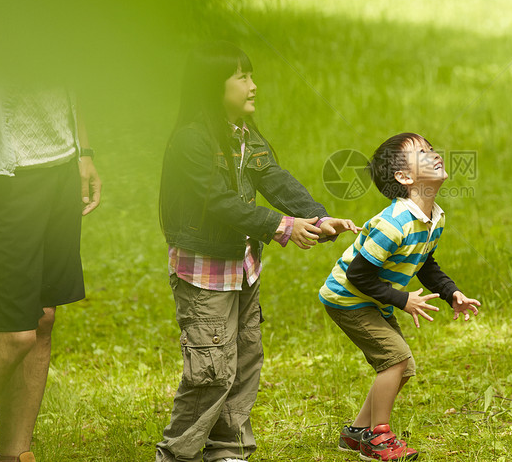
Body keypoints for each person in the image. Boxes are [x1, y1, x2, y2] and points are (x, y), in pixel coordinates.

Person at [156, 41, 358, 462]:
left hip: (242, 268)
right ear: (214, 86)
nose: (253, 85)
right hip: (205, 272)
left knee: (244, 359)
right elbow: (219, 203)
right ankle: (177, 454)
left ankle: (228, 451)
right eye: (242, 77)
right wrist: (282, 226)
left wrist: (318, 219)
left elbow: (276, 180)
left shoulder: (245, 135)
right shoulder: (191, 141)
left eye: (251, 75)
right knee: (212, 369)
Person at [319, 133, 481, 462]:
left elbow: (425, 264)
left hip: (372, 298)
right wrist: (403, 300)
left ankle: (356, 434)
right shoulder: (393, 224)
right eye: (422, 152)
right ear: (404, 178)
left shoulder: (434, 216)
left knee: (402, 366)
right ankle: (378, 439)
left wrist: (452, 293)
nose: (435, 154)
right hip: (347, 298)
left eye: (432, 148)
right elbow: (357, 275)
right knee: (395, 358)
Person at [0, 79, 102, 462]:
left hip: (60, 169)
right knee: (13, 334)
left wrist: (84, 150)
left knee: (42, 318)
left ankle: (16, 454)